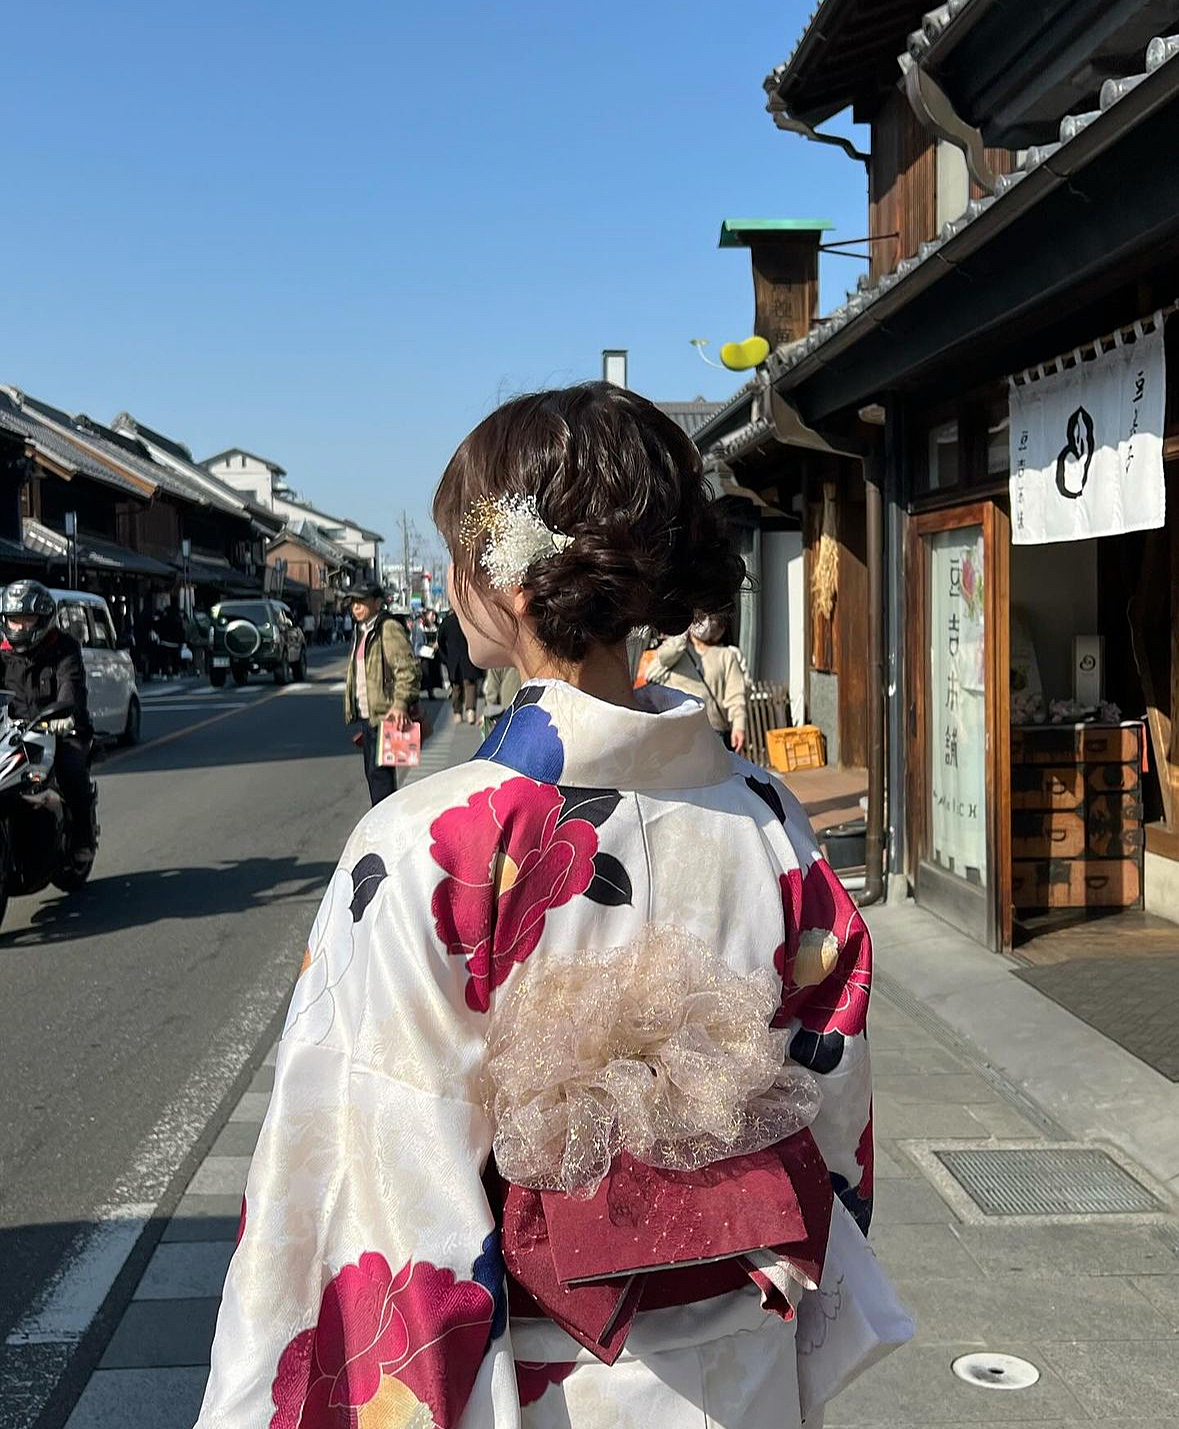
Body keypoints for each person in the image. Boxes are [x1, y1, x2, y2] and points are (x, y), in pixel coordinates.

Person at [197, 383, 910, 1429]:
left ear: (516, 587)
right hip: (743, 1363)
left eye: (459, 555)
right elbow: (833, 1111)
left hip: (541, 1382)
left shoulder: (431, 842)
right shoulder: (766, 814)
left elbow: (376, 1176)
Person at [0, 580, 96, 853]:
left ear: (43, 619)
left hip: (61, 728)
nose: (20, 627)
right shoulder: (2, 651)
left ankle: (82, 839)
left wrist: (66, 713)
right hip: (14, 732)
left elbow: (71, 685)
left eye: (27, 619)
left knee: (72, 773)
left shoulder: (64, 648)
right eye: (14, 620)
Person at [343, 581, 420, 806]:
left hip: (386, 716)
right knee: (374, 776)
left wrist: (400, 704)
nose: (356, 607)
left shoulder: (387, 628)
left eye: (362, 601)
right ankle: (383, 824)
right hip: (370, 716)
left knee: (381, 781)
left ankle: (385, 829)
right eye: (353, 602)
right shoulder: (363, 630)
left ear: (377, 603)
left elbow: (408, 668)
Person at [645, 614, 748, 754]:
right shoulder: (678, 652)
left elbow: (735, 694)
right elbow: (663, 658)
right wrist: (682, 635)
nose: (706, 622)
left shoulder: (727, 655)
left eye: (712, 618)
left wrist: (738, 725)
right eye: (700, 617)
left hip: (713, 732)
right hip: (679, 732)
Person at [438, 604, 482, 722]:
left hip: (454, 659)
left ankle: (457, 713)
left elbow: (440, 641)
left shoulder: (447, 622)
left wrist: (445, 657)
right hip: (469, 657)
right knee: (470, 685)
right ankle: (470, 711)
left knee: (456, 686)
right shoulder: (471, 620)